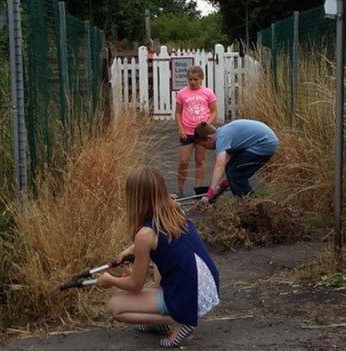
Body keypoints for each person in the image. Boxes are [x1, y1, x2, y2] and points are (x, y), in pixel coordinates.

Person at [97, 167, 220, 348]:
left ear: (135, 198)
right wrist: (130, 250)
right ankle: (165, 319)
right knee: (161, 266)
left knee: (115, 306)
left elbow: (135, 285)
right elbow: (161, 242)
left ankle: (180, 320)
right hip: (208, 286)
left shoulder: (144, 236)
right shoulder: (175, 209)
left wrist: (110, 280)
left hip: (188, 296)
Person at [193, 119, 279, 202]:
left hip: (264, 144)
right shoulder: (224, 133)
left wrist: (210, 192)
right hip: (261, 143)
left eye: (204, 145)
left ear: (209, 138)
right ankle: (246, 202)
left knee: (236, 175)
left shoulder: (222, 137)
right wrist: (220, 187)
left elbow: (219, 166)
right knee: (231, 169)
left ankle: (249, 204)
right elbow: (232, 167)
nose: (206, 148)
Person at [174, 66, 218, 198]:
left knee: (200, 160)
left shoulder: (208, 93)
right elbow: (178, 113)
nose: (192, 82)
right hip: (187, 131)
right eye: (190, 79)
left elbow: (214, 111)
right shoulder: (182, 93)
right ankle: (180, 188)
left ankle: (198, 188)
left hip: (202, 132)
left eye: (195, 79)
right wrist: (180, 128)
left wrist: (208, 123)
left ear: (201, 79)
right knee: (183, 161)